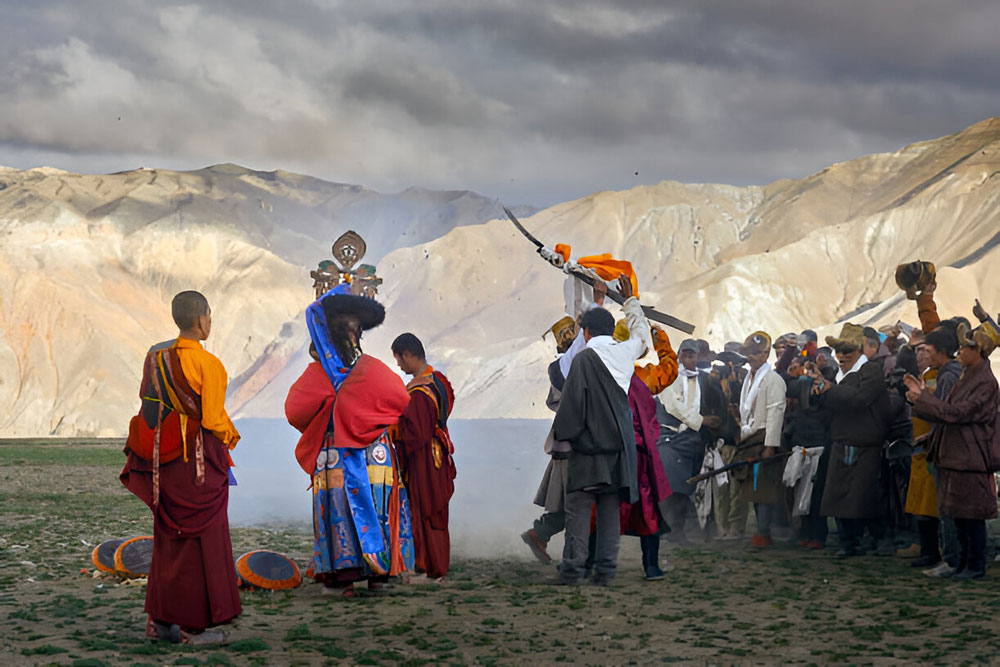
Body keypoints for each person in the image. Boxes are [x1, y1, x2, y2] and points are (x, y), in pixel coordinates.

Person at [121, 290, 241, 644]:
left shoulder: (155, 357)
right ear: (202, 319)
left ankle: (160, 622)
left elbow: (148, 407)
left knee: (168, 536)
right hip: (199, 464)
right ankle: (194, 627)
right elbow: (213, 419)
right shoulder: (211, 365)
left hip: (168, 461)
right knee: (203, 538)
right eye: (209, 316)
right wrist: (232, 437)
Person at [284, 284, 414, 597]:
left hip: (336, 454)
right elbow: (398, 398)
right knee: (376, 506)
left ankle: (343, 578)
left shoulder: (320, 375)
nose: (352, 333)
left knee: (340, 509)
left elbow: (295, 410)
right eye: (350, 328)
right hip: (375, 454)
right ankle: (377, 575)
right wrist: (365, 413)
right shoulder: (372, 370)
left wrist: (333, 412)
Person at [552, 275, 649, 586]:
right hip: (620, 446)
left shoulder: (582, 359)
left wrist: (563, 437)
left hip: (587, 447)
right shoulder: (625, 354)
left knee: (578, 510)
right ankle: (606, 572)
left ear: (587, 332)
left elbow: (571, 406)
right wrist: (631, 300)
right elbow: (642, 337)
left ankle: (572, 570)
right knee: (609, 511)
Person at [906, 323, 999, 580]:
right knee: (959, 515)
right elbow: (950, 413)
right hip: (959, 454)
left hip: (971, 456)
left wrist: (922, 399)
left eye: (964, 347)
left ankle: (974, 566)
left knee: (971, 516)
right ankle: (962, 564)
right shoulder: (967, 375)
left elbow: (957, 414)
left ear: (978, 350)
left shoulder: (985, 382)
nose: (959, 352)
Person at [818, 323, 892, 558]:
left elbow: (860, 399)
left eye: (847, 352)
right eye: (839, 352)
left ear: (859, 351)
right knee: (838, 496)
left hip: (865, 444)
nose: (841, 356)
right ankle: (847, 541)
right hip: (840, 441)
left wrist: (828, 389)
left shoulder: (871, 371)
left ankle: (870, 538)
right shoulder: (835, 376)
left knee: (862, 496)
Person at [391, 333, 457, 582]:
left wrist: (393, 431)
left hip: (424, 459)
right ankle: (432, 566)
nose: (399, 365)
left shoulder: (419, 393)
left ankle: (430, 568)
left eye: (399, 359)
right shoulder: (439, 380)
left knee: (425, 510)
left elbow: (415, 434)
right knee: (436, 509)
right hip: (438, 452)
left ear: (407, 355)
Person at [615, 324, 678, 580]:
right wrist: (660, 340)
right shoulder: (643, 377)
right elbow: (670, 370)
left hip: (608, 454)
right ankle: (651, 566)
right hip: (638, 456)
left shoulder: (600, 375)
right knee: (646, 507)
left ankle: (591, 564)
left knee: (601, 507)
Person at [658, 339, 724, 542]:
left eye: (692, 355)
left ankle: (696, 531)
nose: (688, 359)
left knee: (692, 487)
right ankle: (673, 531)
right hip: (670, 438)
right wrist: (702, 420)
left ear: (697, 357)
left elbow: (717, 401)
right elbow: (673, 406)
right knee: (673, 486)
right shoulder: (668, 377)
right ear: (679, 356)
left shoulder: (705, 379)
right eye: (684, 355)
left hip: (694, 440)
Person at [730, 331, 787, 548]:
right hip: (750, 436)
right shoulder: (749, 377)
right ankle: (762, 531)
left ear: (765, 355)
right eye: (748, 353)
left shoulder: (773, 380)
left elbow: (775, 413)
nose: (751, 357)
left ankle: (764, 532)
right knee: (753, 487)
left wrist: (770, 446)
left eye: (754, 353)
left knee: (763, 488)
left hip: (763, 438)